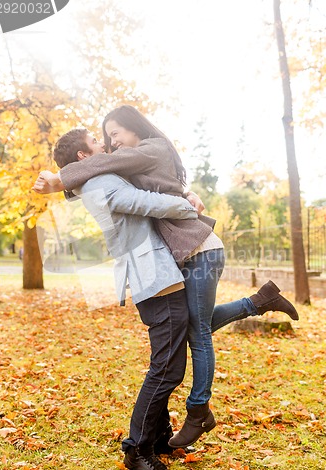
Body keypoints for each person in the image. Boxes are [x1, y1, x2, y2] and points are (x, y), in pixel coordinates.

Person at [34, 111, 299, 451]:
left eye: (114, 134)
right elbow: (107, 182)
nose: (110, 142)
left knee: (194, 333)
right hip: (173, 259)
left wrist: (58, 180)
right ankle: (259, 302)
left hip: (197, 249)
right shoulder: (112, 169)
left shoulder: (150, 147)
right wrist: (185, 198)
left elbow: (113, 177)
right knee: (188, 332)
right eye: (102, 138)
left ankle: (197, 411)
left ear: (133, 126)